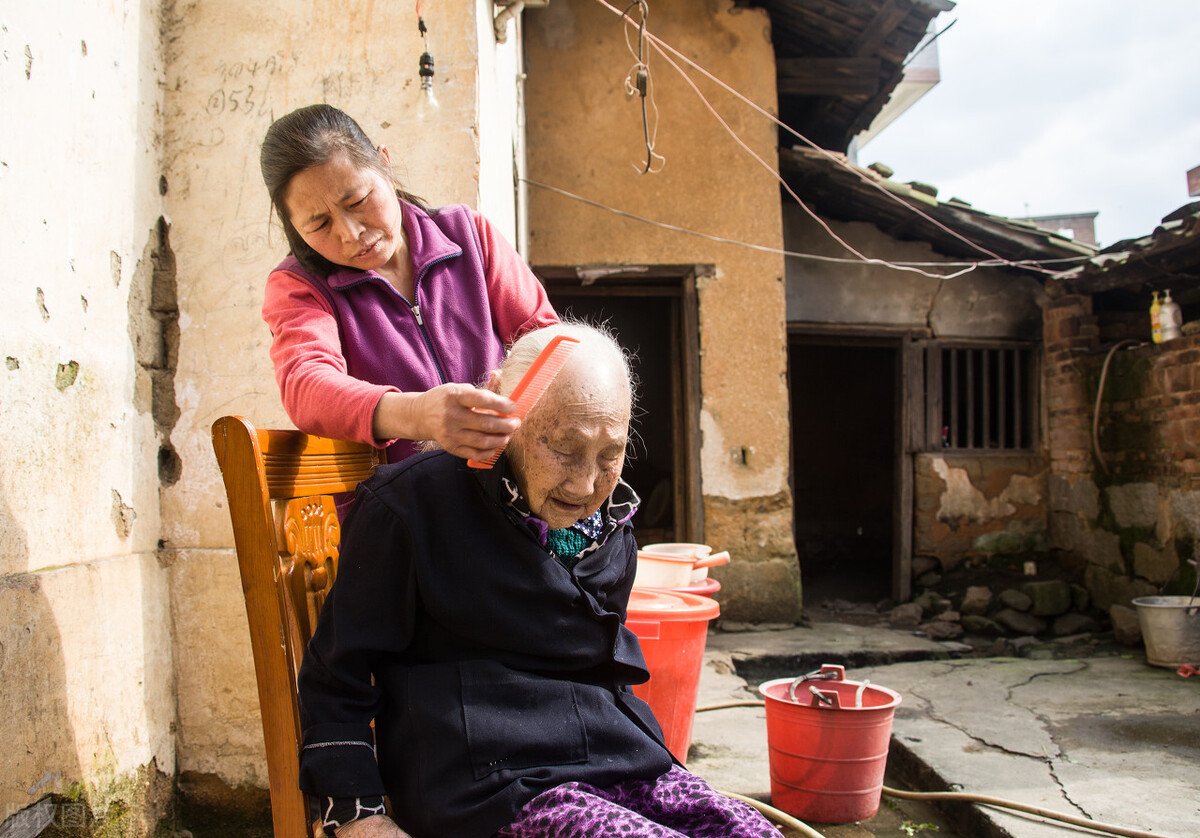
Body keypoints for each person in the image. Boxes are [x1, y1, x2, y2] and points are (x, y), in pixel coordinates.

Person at [297, 323, 782, 838]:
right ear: (502, 408)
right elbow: (336, 678)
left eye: (609, 453)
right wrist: (357, 815)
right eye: (563, 448)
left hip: (619, 759)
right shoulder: (410, 508)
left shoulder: (611, 522)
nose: (586, 484)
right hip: (491, 781)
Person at [259, 104, 557, 465]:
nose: (351, 234)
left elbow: (545, 339)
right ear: (293, 226)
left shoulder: (468, 235)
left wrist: (512, 383)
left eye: (357, 201)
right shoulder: (299, 287)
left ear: (384, 163)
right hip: (397, 508)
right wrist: (418, 415)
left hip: (509, 483)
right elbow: (307, 385)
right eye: (319, 225)